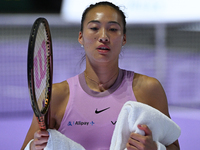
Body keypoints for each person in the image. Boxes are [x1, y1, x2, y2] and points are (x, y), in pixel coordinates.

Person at [21, 1, 180, 150]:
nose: (103, 36)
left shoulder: (149, 89)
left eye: (113, 29)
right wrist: (34, 147)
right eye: (94, 28)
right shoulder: (55, 96)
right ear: (81, 37)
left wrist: (155, 148)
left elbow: (174, 146)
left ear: (123, 38)